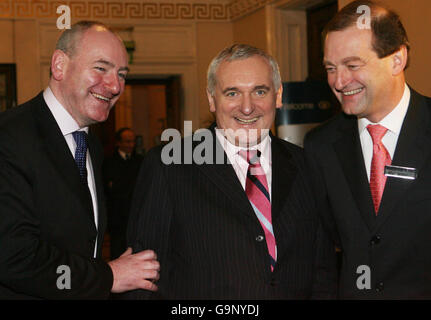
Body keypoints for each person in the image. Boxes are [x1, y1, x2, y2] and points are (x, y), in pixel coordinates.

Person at [126, 44, 337, 299]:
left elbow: (322, 271)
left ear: (278, 96)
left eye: (260, 91)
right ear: (212, 99)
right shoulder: (170, 165)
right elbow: (143, 278)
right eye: (232, 93)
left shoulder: (308, 165)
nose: (247, 108)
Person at [0, 21, 159, 299]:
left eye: (122, 74)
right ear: (59, 65)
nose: (114, 85)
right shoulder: (10, 137)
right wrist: (108, 276)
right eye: (101, 68)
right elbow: (13, 257)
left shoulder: (90, 145)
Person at [304, 0, 431, 299]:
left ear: (397, 60)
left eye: (352, 65)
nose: (338, 81)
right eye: (331, 68)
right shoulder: (320, 146)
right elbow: (321, 249)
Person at [103, 128, 144, 260]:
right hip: (117, 215)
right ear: (118, 143)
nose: (130, 145)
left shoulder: (140, 161)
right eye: (127, 141)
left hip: (135, 214)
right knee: (117, 250)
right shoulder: (108, 161)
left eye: (132, 141)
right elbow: (110, 188)